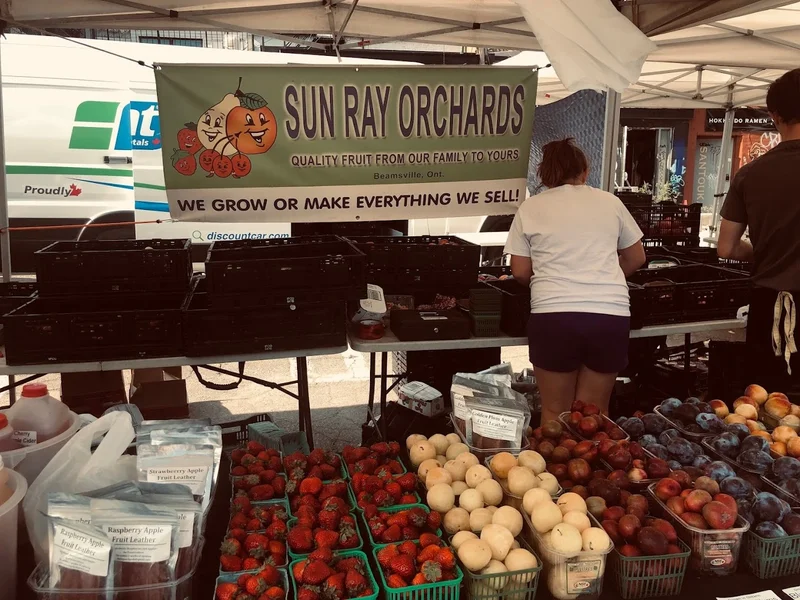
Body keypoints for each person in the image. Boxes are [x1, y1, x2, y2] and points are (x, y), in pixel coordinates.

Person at [504, 138, 646, 424]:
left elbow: (519, 271)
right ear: (584, 171)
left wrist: (549, 279)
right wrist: (605, 276)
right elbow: (636, 258)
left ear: (546, 176)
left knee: (556, 413)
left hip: (554, 317)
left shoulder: (531, 208)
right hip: (609, 316)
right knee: (595, 413)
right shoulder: (611, 202)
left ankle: (553, 470)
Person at [718, 68, 800, 391]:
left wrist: (763, 249)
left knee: (767, 407)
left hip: (772, 309)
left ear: (774, 114)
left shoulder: (750, 175)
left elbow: (726, 248)